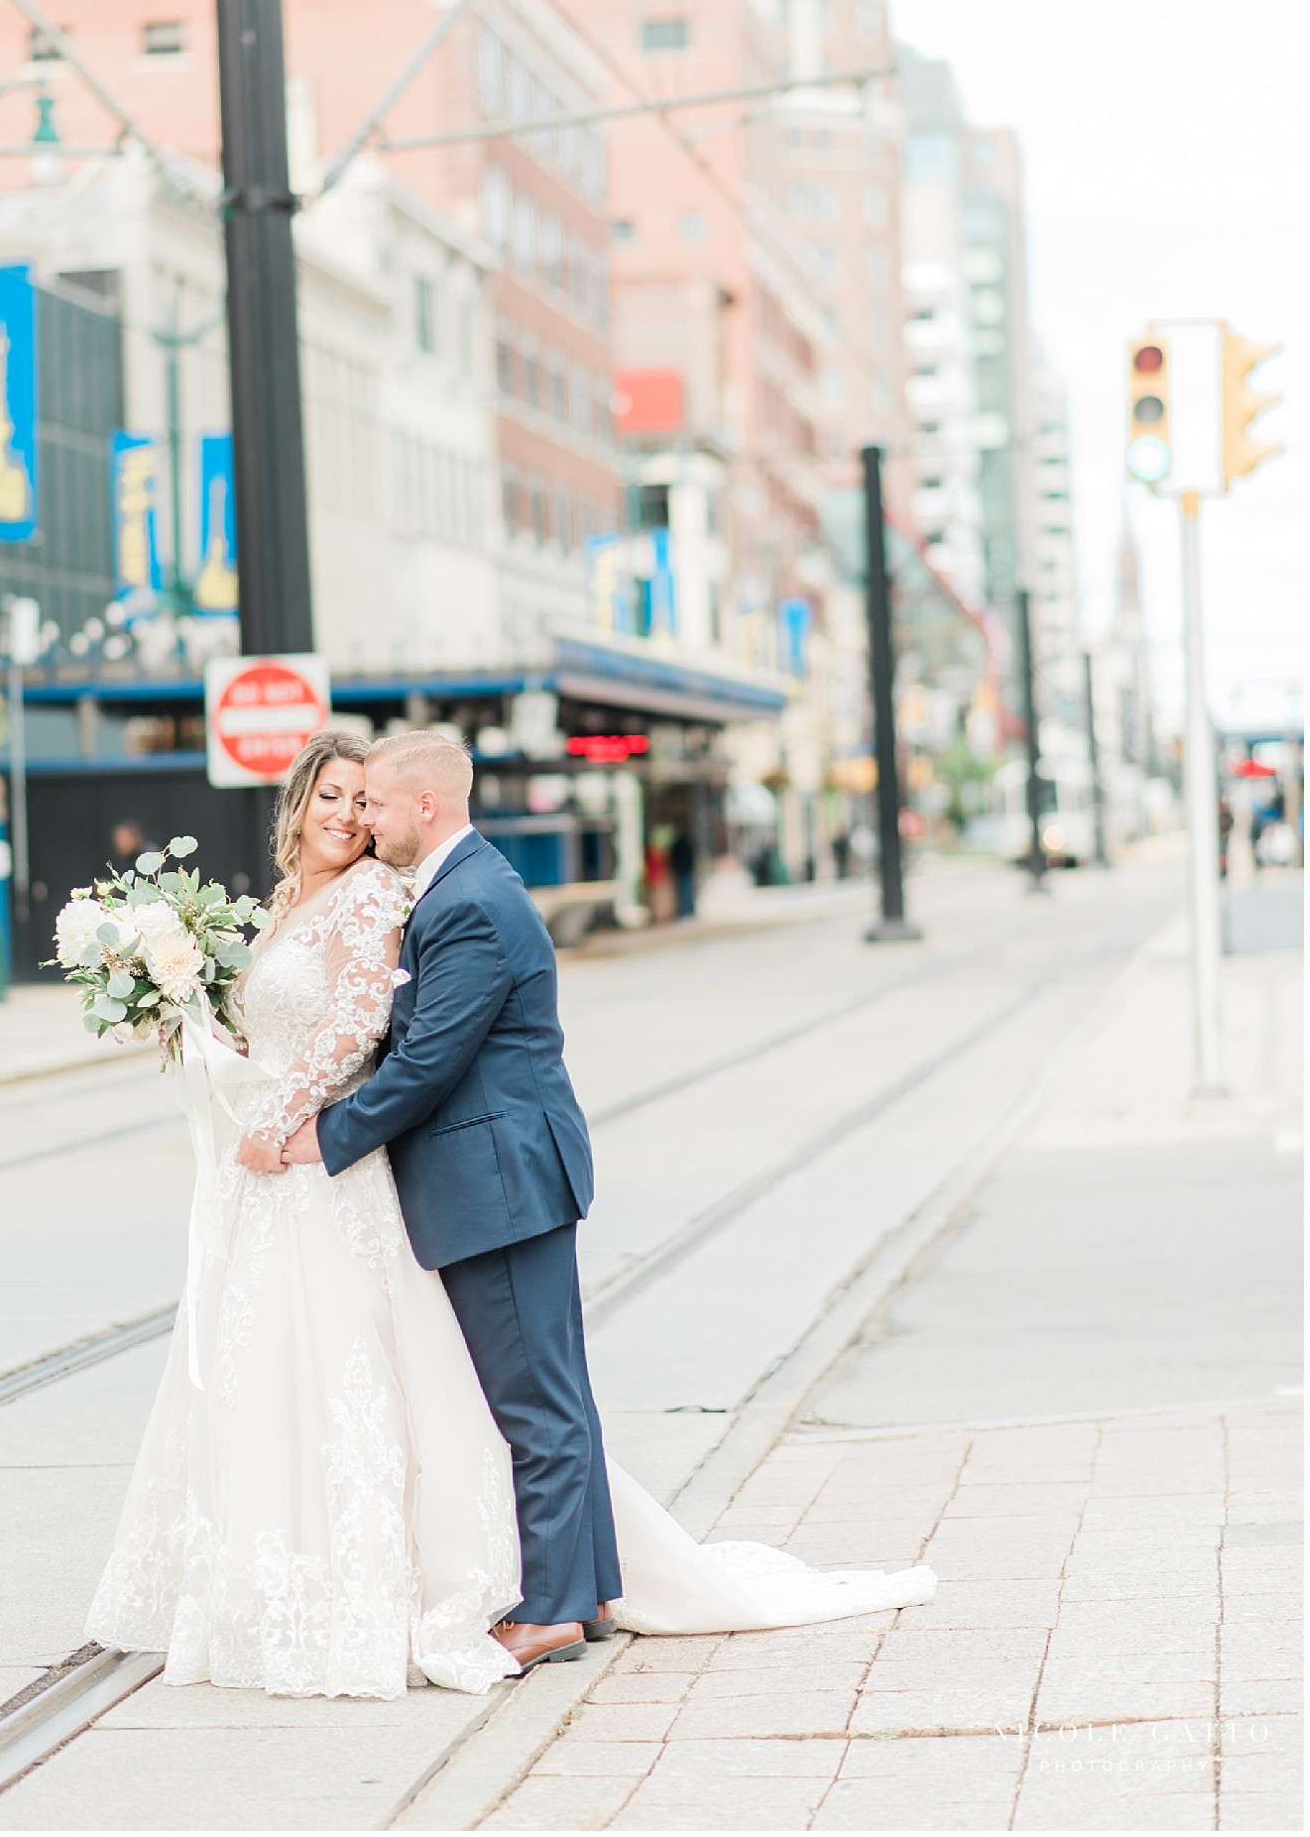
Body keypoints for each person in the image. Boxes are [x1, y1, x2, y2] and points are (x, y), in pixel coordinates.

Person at [90, 730, 934, 1703]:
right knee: (541, 1390)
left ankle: (556, 1610)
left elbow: (426, 1057)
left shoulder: (471, 903)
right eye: (343, 803)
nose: (362, 821)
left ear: (424, 807)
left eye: (374, 805)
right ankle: (589, 1588)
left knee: (533, 1398)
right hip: (489, 1175)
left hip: (498, 1179)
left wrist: (322, 1136)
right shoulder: (453, 892)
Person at [669, 826, 698, 920]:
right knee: (686, 890)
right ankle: (687, 910)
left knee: (683, 891)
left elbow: (674, 857)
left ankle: (685, 910)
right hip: (685, 869)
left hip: (681, 870)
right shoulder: (687, 843)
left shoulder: (678, 844)